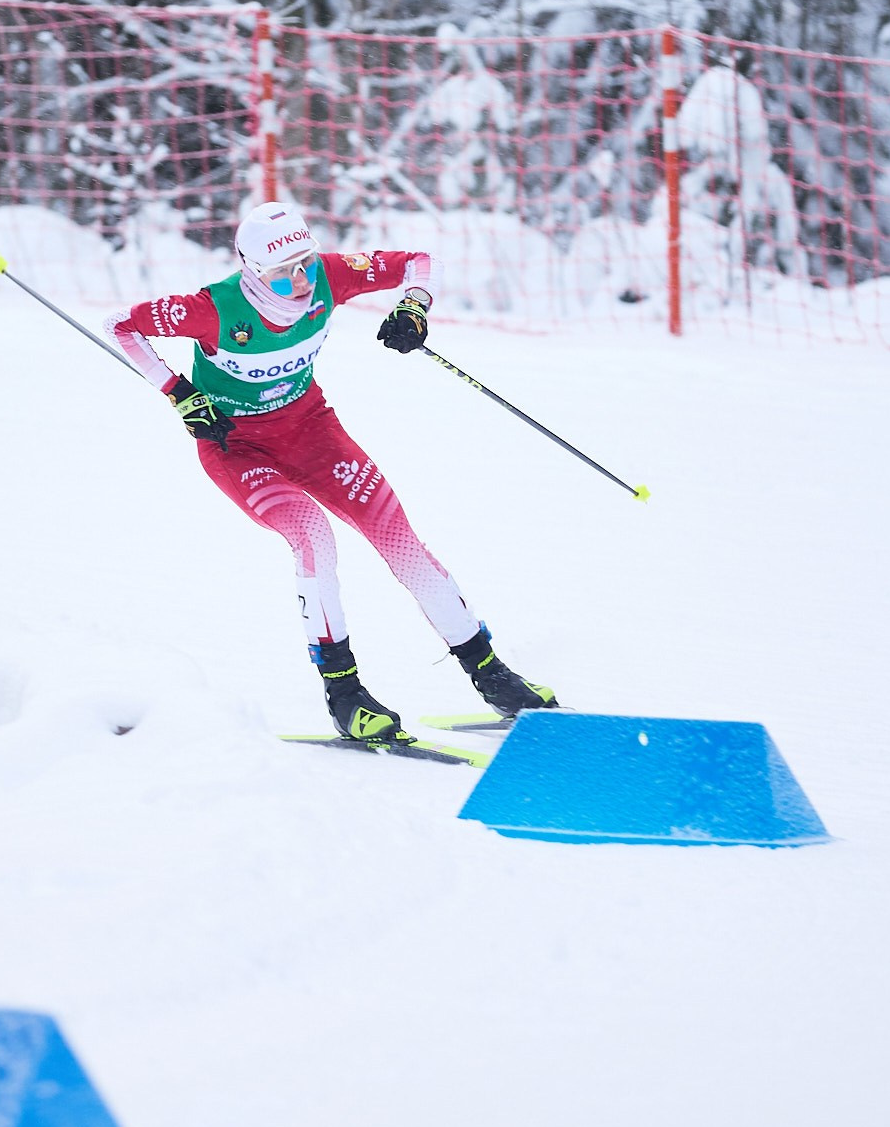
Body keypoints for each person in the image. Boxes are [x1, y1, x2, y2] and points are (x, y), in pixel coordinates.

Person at [108, 199, 559, 744]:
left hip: (314, 435)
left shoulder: (328, 276)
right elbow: (120, 325)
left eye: (305, 262)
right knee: (313, 538)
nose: (299, 283)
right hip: (238, 448)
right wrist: (178, 391)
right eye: (281, 276)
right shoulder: (213, 309)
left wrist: (414, 306)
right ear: (251, 273)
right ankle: (345, 694)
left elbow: (419, 260)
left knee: (400, 540)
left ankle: (491, 674)